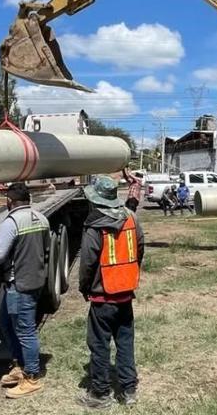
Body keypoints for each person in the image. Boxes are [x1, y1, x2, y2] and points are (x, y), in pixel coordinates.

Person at [0, 181, 49, 399]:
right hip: (34, 280)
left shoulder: (11, 222)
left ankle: (32, 377)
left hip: (19, 284)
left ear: (10, 201)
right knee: (5, 322)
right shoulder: (42, 218)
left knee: (25, 331)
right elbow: (45, 248)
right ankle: (20, 365)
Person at [78, 175, 144, 410]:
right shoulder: (131, 218)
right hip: (125, 294)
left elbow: (87, 262)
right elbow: (139, 249)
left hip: (102, 297)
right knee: (125, 342)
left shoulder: (94, 224)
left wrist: (85, 287)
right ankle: (129, 391)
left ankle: (100, 394)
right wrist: (129, 275)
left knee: (99, 345)